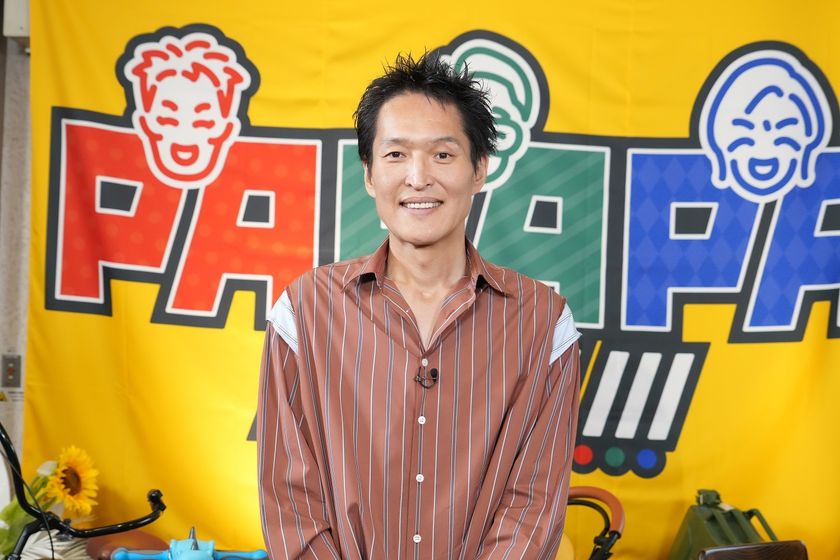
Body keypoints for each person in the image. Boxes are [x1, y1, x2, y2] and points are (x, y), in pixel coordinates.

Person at [257, 52, 581, 559]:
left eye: (443, 155)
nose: (418, 177)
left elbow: (532, 504)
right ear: (369, 174)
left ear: (479, 169)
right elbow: (290, 498)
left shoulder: (543, 321)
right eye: (395, 154)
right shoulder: (304, 310)